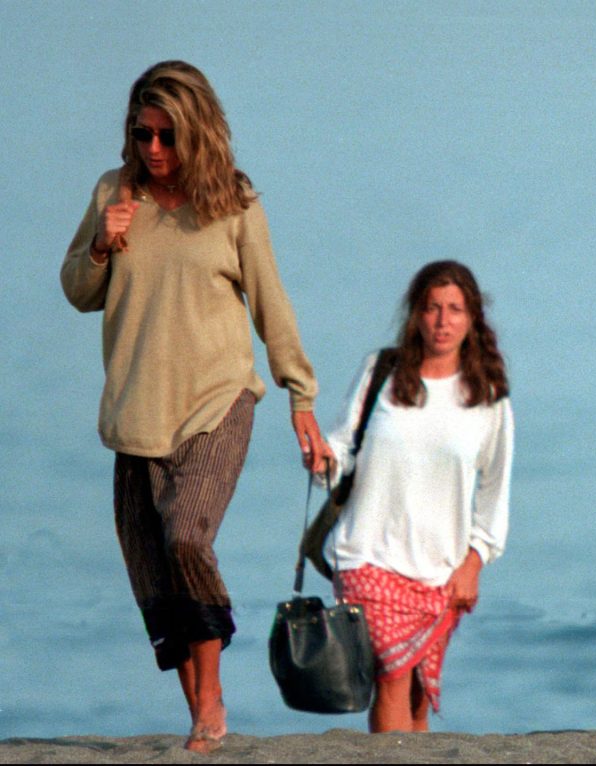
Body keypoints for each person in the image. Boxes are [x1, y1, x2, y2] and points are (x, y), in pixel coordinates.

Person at [60, 61, 332, 753]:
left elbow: (272, 304)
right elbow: (77, 290)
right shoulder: (113, 193)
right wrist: (101, 242)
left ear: (197, 133)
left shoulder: (233, 204)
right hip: (136, 413)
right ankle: (200, 719)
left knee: (187, 536)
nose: (153, 150)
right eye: (142, 134)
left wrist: (301, 396)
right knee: (155, 579)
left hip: (217, 401)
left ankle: (212, 697)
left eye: (168, 136)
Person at [321, 260, 513, 733]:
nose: (442, 321)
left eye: (454, 309)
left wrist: (474, 562)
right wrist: (321, 458)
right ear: (416, 315)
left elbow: (495, 489)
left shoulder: (487, 396)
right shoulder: (381, 372)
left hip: (441, 570)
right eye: (431, 308)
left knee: (418, 695)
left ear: (472, 319)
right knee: (392, 674)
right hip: (367, 554)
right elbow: (343, 447)